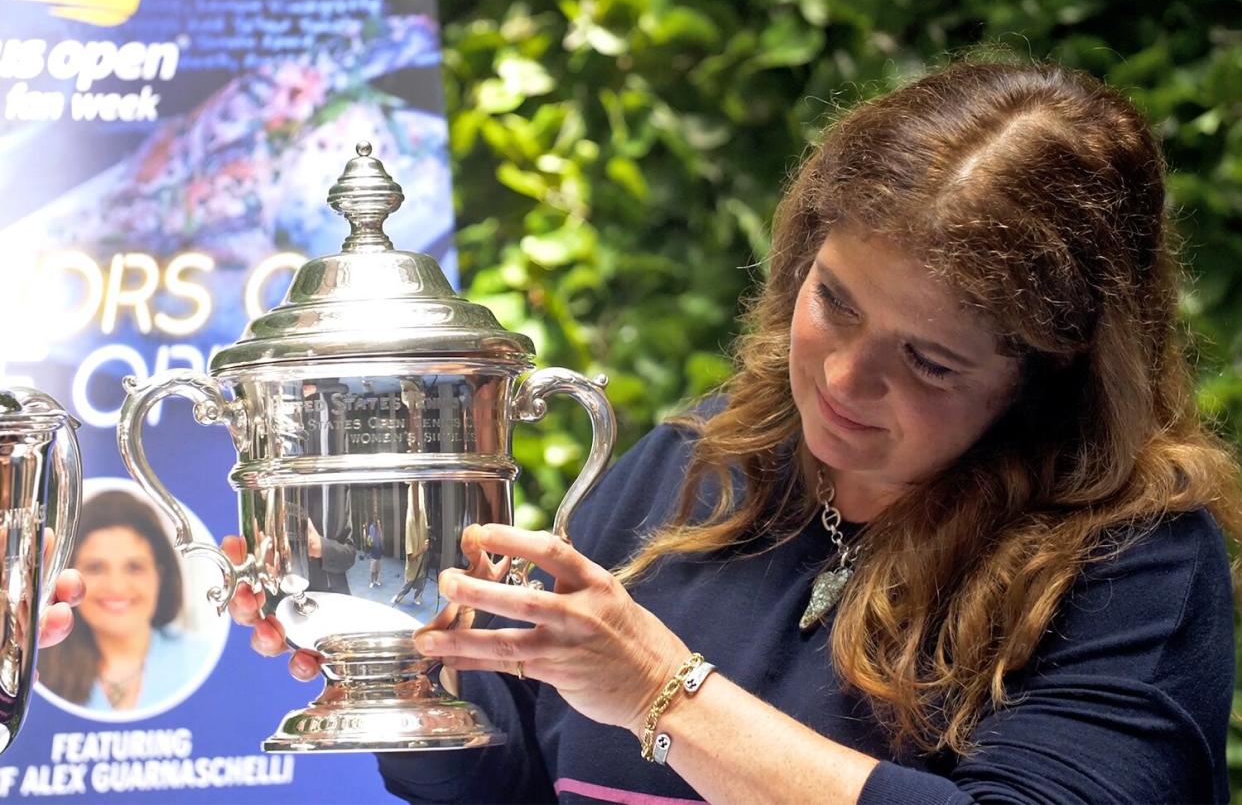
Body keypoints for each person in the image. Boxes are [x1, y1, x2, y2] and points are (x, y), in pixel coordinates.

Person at [229, 58, 1242, 803]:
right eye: (833, 299)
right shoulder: (700, 463)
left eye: (928, 360)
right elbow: (507, 775)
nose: (847, 378)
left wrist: (664, 694)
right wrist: (398, 656)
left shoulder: (1134, 556)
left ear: (1053, 372)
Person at [39, 489, 210, 712]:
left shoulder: (200, 662)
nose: (116, 586)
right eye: (96, 567)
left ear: (161, 575)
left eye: (134, 567)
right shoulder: (36, 673)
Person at [366, 517, 384, 588]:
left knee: (377, 569)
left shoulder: (379, 530)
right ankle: (371, 582)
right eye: (376, 522)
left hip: (379, 552)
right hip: (373, 551)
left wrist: (379, 529)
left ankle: (376, 581)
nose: (377, 524)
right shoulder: (371, 528)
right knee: (372, 569)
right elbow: (371, 539)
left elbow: (381, 539)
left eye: (378, 523)